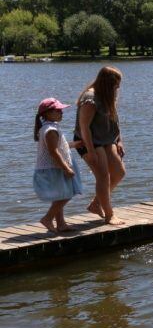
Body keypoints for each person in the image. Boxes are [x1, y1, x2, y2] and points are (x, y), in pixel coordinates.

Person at [74, 66, 126, 225]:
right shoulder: (90, 98)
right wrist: (91, 152)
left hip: (106, 139)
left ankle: (96, 204)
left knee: (119, 172)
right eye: (115, 84)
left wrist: (119, 140)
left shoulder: (108, 95)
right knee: (103, 176)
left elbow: (114, 119)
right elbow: (84, 127)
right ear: (106, 83)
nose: (118, 87)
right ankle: (109, 215)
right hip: (88, 141)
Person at [33, 98, 83, 233]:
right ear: (47, 113)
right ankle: (47, 218)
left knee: (59, 195)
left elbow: (61, 146)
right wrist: (66, 168)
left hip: (53, 167)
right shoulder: (50, 130)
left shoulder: (50, 127)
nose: (62, 113)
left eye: (61, 110)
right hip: (55, 167)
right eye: (58, 110)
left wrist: (75, 144)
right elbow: (53, 151)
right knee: (66, 195)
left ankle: (61, 224)